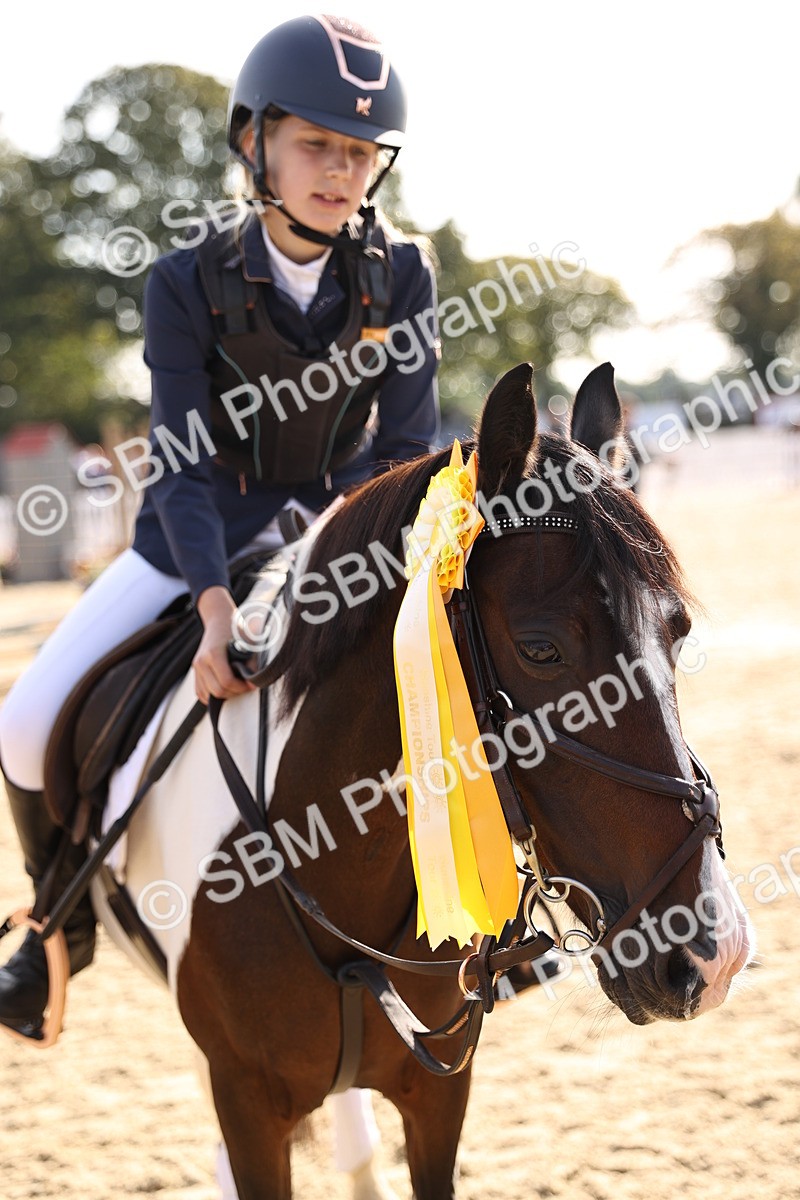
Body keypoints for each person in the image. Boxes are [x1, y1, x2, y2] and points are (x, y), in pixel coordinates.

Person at [0, 13, 440, 1036]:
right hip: (190, 540)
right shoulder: (183, 282)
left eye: (360, 151)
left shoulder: (402, 274)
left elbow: (404, 450)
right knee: (22, 725)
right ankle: (56, 932)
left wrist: (339, 555)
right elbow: (183, 461)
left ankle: (498, 914)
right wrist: (210, 610)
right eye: (316, 143)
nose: (340, 171)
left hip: (335, 535)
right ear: (255, 141)